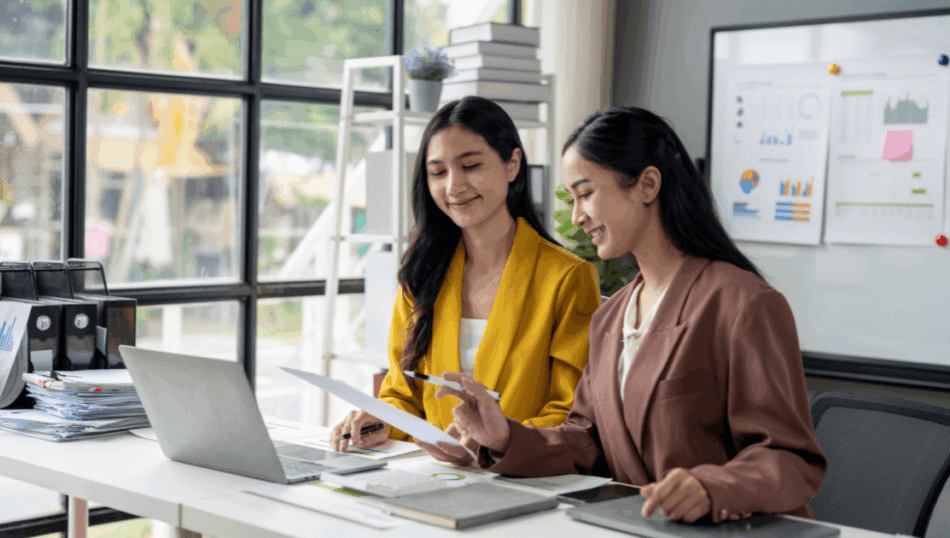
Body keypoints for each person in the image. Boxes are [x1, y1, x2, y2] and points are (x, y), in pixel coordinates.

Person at [415, 106, 827, 524]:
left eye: (586, 193)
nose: (577, 217)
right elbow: (585, 441)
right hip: (639, 528)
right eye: (572, 200)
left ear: (647, 184)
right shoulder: (611, 316)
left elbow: (790, 458)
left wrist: (712, 487)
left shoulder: (744, 303)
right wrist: (502, 435)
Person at [331, 96, 601, 453]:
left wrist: (494, 442)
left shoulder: (567, 278)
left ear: (512, 165)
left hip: (521, 479)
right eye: (438, 172)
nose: (453, 186)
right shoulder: (422, 274)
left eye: (471, 165)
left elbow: (569, 412)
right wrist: (380, 422)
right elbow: (402, 394)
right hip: (430, 475)